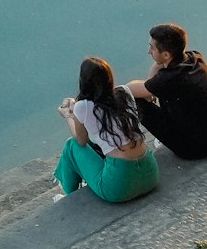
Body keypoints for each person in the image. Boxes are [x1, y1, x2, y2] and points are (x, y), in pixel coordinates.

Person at [54, 57, 159, 203]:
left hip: (118, 188)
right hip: (150, 174)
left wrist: (68, 116)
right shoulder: (124, 92)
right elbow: (102, 115)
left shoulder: (83, 107)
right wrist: (75, 107)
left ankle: (69, 197)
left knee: (71, 146)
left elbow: (81, 141)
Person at [124, 23, 207, 160]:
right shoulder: (195, 57)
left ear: (167, 54)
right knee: (153, 92)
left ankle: (129, 150)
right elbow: (159, 67)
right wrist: (150, 88)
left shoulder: (168, 79)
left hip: (197, 149)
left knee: (134, 100)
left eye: (152, 47)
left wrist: (148, 90)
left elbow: (129, 89)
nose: (148, 51)